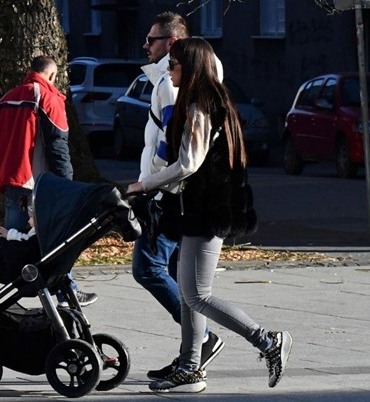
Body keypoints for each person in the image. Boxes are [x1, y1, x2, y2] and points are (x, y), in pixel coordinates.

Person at [127, 37, 293, 393]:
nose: (167, 70)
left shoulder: (200, 104)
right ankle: (189, 368)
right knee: (189, 294)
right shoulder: (205, 99)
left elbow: (188, 163)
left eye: (172, 64)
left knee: (198, 294)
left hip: (208, 209)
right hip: (197, 210)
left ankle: (267, 341)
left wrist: (146, 185)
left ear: (190, 67)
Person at [135, 11, 224, 382]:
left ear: (172, 44)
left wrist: (148, 186)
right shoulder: (174, 80)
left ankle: (249, 340)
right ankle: (190, 361)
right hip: (173, 194)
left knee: (154, 270)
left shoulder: (176, 86)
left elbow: (173, 153)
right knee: (181, 281)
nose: (145, 46)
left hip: (170, 195)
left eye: (152, 40)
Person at [0, 55, 97, 307]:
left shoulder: (8, 97)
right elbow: (58, 146)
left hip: (12, 178)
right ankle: (67, 292)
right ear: (53, 75)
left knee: (13, 237)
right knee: (55, 238)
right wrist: (66, 185)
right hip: (38, 182)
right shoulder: (47, 97)